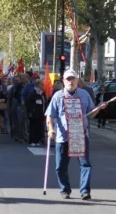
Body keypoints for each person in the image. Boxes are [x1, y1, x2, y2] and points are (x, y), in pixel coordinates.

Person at [45, 69, 106, 200]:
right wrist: (50, 129)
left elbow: (91, 114)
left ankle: (85, 191)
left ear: (77, 81)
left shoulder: (84, 94)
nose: (70, 81)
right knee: (60, 167)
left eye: (73, 79)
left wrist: (99, 108)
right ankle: (65, 189)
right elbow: (50, 115)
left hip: (80, 135)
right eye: (68, 79)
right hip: (63, 137)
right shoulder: (58, 96)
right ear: (63, 81)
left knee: (85, 165)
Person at [26, 79, 46, 146]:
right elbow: (28, 102)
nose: (43, 86)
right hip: (34, 113)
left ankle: (37, 140)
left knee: (39, 127)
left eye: (43, 84)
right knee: (33, 127)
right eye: (41, 84)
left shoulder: (42, 93)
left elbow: (44, 101)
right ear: (38, 85)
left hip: (40, 113)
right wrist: (32, 110)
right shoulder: (33, 92)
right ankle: (32, 140)